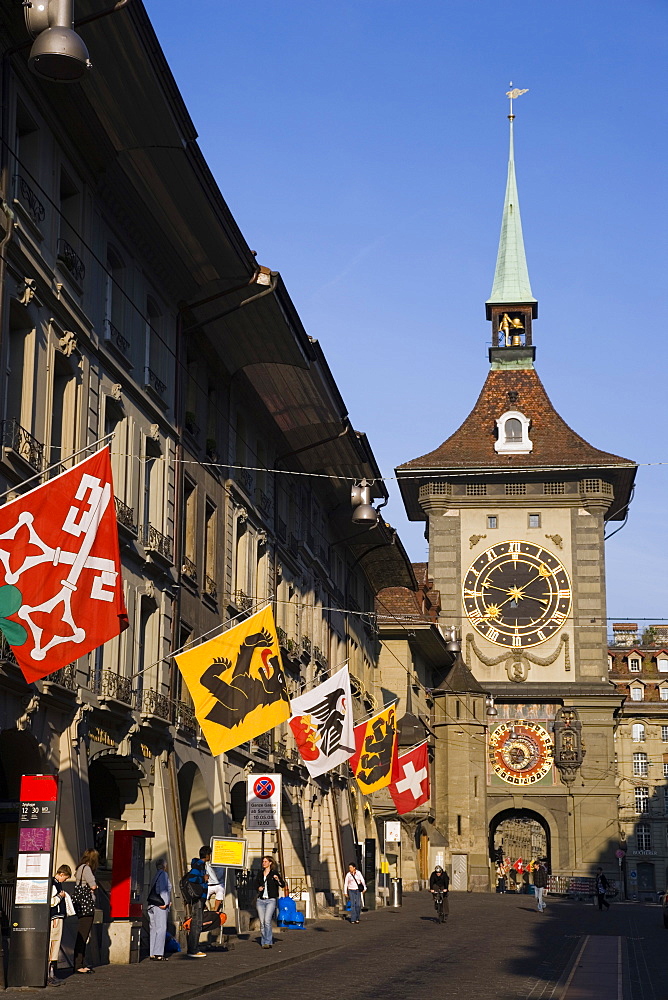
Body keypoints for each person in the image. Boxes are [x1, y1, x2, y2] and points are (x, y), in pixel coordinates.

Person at [73, 849, 98, 973]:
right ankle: (78, 964)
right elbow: (93, 885)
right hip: (86, 906)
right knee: (83, 934)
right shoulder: (86, 868)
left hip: (80, 905)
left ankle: (80, 963)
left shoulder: (79, 868)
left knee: (82, 934)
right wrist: (94, 887)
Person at [48, 864, 72, 985]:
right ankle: (50, 973)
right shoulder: (54, 884)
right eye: (66, 878)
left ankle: (51, 972)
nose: (65, 880)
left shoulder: (56, 883)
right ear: (61, 874)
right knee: (53, 943)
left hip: (56, 917)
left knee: (54, 944)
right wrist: (60, 896)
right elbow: (51, 902)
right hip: (55, 918)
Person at [256, 855, 286, 948]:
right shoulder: (260, 873)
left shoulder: (274, 873)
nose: (263, 863)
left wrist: (278, 879)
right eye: (263, 861)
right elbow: (255, 884)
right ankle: (263, 941)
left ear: (270, 863)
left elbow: (282, 885)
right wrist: (258, 888)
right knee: (262, 922)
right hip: (260, 900)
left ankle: (268, 942)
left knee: (267, 921)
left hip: (270, 900)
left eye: (265, 861)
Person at [185, 846, 210, 958]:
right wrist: (203, 879)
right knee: (197, 923)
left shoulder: (201, 865)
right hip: (198, 897)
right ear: (207, 855)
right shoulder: (198, 865)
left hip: (201, 897)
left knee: (197, 923)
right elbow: (192, 878)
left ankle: (194, 947)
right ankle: (193, 949)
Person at [148, 859, 172, 961]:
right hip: (159, 905)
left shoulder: (155, 875)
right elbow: (163, 890)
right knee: (161, 928)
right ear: (164, 866)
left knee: (153, 928)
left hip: (152, 904)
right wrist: (165, 903)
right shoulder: (163, 875)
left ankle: (152, 952)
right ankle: (158, 953)